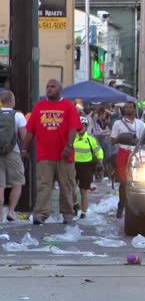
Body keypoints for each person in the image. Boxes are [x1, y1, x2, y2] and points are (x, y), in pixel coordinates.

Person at [21, 80, 84, 225]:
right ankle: (41, 214)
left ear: (60, 90)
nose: (49, 89)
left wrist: (69, 146)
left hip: (64, 155)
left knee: (66, 184)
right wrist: (24, 148)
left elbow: (74, 128)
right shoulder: (39, 107)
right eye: (47, 86)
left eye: (53, 86)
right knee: (44, 185)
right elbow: (30, 131)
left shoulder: (69, 106)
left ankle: (67, 213)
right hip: (45, 155)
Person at [111, 104, 145, 218]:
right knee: (124, 182)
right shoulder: (118, 123)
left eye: (131, 107)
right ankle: (121, 207)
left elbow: (143, 139)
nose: (128, 109)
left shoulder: (140, 124)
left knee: (136, 181)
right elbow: (113, 140)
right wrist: (124, 138)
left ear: (135, 109)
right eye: (127, 107)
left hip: (135, 153)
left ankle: (135, 206)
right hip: (123, 153)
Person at [0, 90, 27, 222]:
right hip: (13, 152)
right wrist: (25, 150)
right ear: (12, 101)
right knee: (17, 182)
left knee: (0, 185)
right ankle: (11, 211)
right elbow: (24, 137)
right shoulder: (18, 116)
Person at [73, 117, 104, 219]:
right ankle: (75, 204)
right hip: (73, 165)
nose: (81, 127)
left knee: (84, 190)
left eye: (83, 125)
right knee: (72, 189)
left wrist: (100, 162)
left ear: (86, 127)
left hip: (86, 166)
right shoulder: (72, 137)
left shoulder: (91, 139)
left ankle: (84, 212)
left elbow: (99, 150)